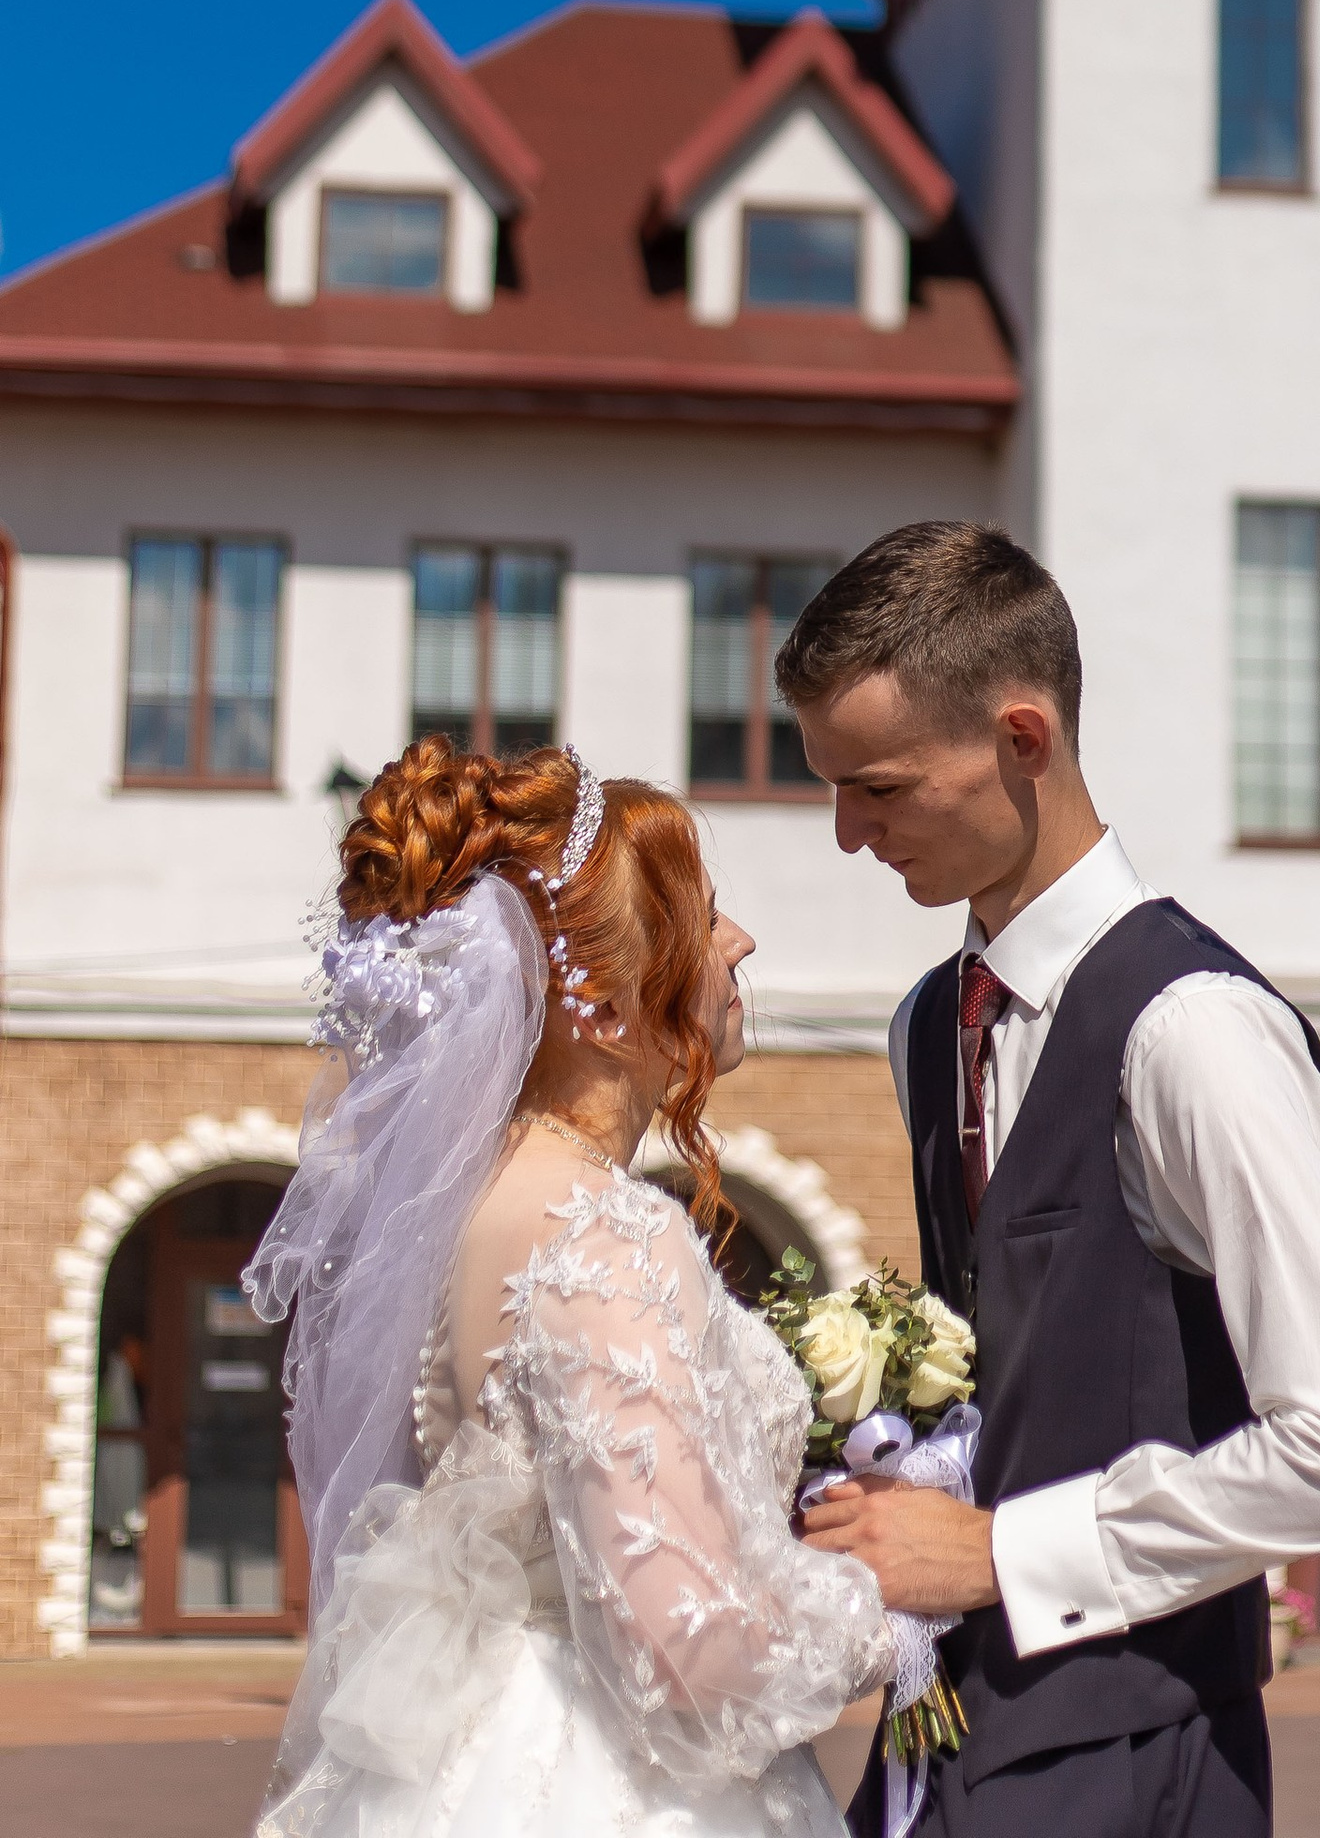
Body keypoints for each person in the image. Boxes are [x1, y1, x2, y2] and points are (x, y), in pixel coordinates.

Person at [783, 519, 1320, 1838]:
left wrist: (1003, 1554)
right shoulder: (931, 1022)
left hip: (1137, 1749)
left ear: (1021, 741)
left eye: (883, 788)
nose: (849, 835)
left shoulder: (1189, 1031)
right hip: (944, 1738)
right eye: (833, 789)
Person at [249, 738, 893, 1838]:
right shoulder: (601, 1232)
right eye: (703, 913)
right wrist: (890, 1599)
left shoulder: (469, 1202)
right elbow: (688, 1658)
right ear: (595, 1001)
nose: (738, 941)